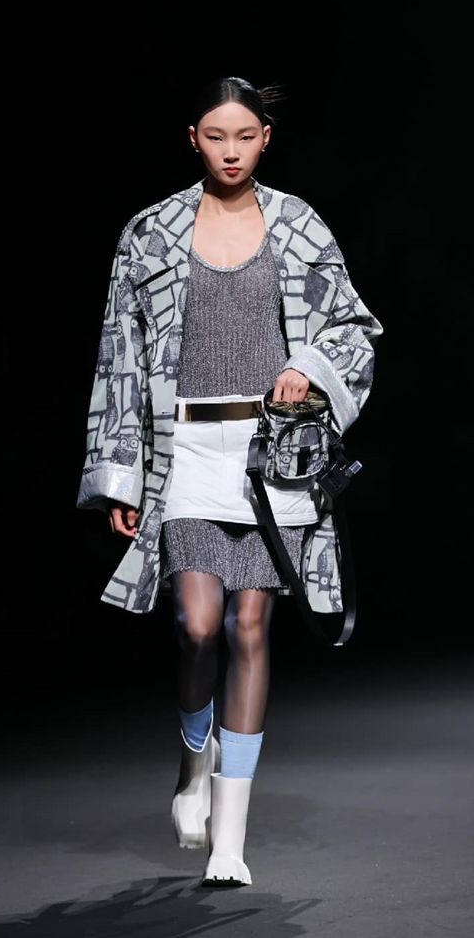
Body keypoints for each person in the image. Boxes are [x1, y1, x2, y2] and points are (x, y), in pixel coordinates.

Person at [77, 76, 383, 886]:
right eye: (216, 136)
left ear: (265, 138)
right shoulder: (150, 232)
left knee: (250, 627)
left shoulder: (299, 225)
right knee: (196, 624)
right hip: (184, 451)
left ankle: (230, 842)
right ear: (193, 139)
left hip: (270, 454)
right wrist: (121, 476)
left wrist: (307, 364)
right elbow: (119, 356)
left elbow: (352, 327)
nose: (232, 151)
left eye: (246, 135)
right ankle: (192, 757)